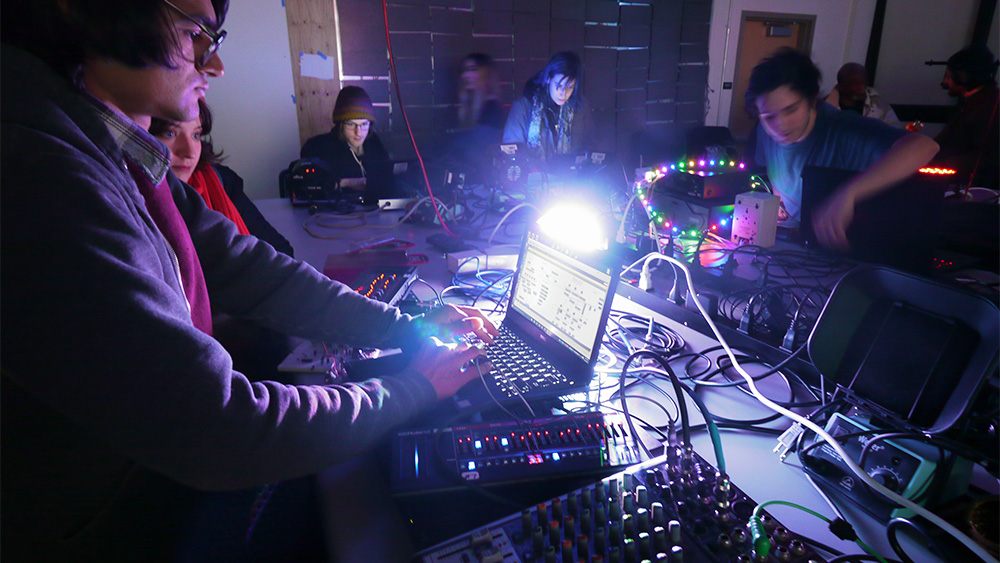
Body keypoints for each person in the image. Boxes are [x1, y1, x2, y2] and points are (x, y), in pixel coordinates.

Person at [1, 1, 497, 561]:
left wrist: (404, 326)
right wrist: (415, 388)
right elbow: (219, 428)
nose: (213, 65)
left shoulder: (99, 144)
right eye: (193, 33)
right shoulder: (36, 167)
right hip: (121, 527)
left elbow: (246, 266)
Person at [745, 48, 939, 250]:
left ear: (812, 100)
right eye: (769, 117)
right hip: (797, 243)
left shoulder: (846, 129)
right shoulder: (764, 130)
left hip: (848, 250)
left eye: (791, 110)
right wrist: (779, 204)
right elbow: (775, 176)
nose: (780, 125)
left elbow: (925, 146)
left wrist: (849, 193)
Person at [150, 99, 295, 257]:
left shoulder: (220, 180)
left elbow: (280, 251)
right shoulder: (133, 200)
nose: (190, 152)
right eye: (169, 133)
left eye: (196, 135)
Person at [300, 86, 394, 205]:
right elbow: (308, 186)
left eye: (364, 124)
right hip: (334, 213)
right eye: (351, 124)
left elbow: (388, 179)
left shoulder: (374, 144)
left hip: (375, 212)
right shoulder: (317, 147)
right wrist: (346, 183)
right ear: (340, 124)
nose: (358, 132)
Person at [503, 51, 593, 164]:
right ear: (548, 79)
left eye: (569, 87)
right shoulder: (524, 106)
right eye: (559, 85)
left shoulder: (579, 108)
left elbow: (588, 145)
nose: (563, 93)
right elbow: (512, 151)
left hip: (568, 173)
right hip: (530, 173)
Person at [935, 45, 999, 190]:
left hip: (973, 187)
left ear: (963, 77)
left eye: (949, 77)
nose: (945, 82)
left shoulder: (989, 108)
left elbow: (986, 157)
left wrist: (940, 163)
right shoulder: (977, 104)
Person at [824, 62, 902, 127]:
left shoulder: (878, 105)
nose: (862, 87)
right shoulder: (824, 106)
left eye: (864, 83)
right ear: (841, 85)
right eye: (856, 84)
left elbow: (895, 130)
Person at [458, 53, 505, 131]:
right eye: (465, 70)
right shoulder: (471, 103)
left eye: (472, 69)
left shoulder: (491, 108)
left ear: (485, 73)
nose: (465, 75)